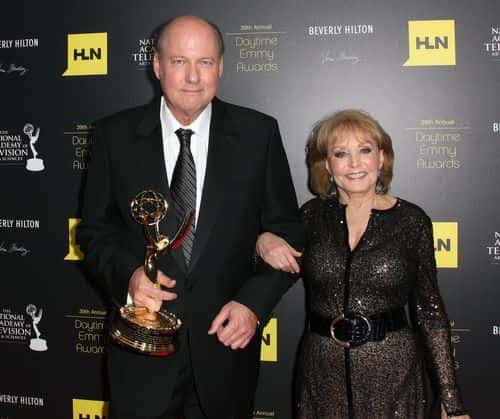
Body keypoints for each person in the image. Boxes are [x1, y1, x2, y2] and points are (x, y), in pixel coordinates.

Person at [77, 16, 302, 419]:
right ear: (158, 66)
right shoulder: (113, 136)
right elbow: (94, 233)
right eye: (180, 61)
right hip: (141, 355)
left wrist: (252, 305)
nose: (193, 76)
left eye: (205, 62)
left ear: (221, 67)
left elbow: (286, 235)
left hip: (225, 354)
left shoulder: (258, 134)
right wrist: (128, 276)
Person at [256, 110, 470, 419]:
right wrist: (261, 241)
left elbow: (430, 311)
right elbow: (271, 274)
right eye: (341, 154)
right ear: (327, 165)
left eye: (365, 150)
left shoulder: (411, 222)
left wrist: (451, 400)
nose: (354, 164)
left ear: (381, 158)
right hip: (321, 373)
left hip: (394, 373)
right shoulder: (311, 218)